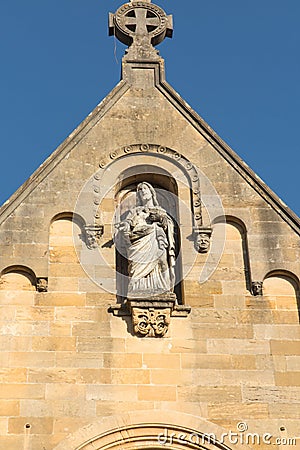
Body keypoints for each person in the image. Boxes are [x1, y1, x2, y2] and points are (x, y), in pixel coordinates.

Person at [116, 182, 176, 295]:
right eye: (140, 190)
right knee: (138, 263)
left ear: (151, 192)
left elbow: (168, 224)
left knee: (162, 262)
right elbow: (128, 223)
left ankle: (165, 288)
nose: (143, 191)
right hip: (140, 240)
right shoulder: (135, 211)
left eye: (145, 188)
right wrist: (124, 227)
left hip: (157, 237)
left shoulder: (160, 210)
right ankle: (138, 287)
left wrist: (160, 218)